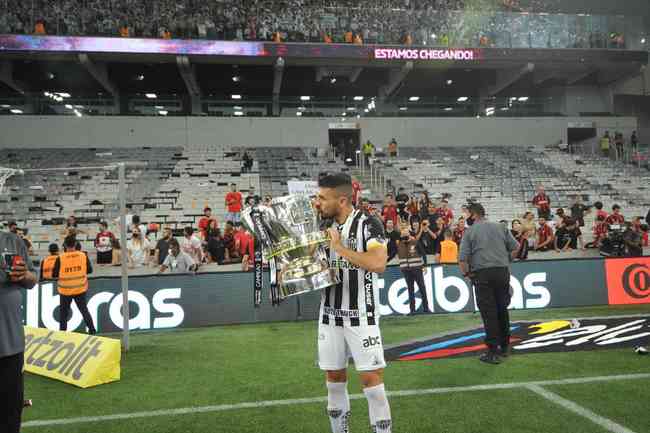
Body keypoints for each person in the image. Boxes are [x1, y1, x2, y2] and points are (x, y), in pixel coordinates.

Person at [314, 173, 392, 433]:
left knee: (372, 383)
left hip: (362, 315)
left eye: (322, 198)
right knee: (334, 381)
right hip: (329, 316)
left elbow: (378, 264)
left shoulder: (369, 223)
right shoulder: (320, 225)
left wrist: (339, 248)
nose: (317, 203)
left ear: (343, 200)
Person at [459, 203, 519, 364]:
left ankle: (493, 351)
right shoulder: (500, 227)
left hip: (482, 273)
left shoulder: (470, 232)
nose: (465, 218)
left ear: (473, 215)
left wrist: (467, 274)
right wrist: (505, 261)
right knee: (502, 309)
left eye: (466, 215)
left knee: (489, 312)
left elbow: (463, 259)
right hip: (502, 272)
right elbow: (516, 247)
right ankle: (505, 346)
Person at [0, 229, 38, 433]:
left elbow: (32, 280)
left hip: (10, 343)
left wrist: (23, 275)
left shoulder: (13, 241)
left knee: (11, 412)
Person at [52, 235, 96, 334]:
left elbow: (54, 274)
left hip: (65, 290)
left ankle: (62, 333)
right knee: (84, 310)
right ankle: (92, 330)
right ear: (75, 244)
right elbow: (89, 270)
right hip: (80, 288)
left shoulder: (60, 257)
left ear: (65, 245)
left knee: (64, 314)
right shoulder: (83, 255)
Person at [397, 223, 429, 314]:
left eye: (406, 235)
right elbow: (391, 253)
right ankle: (412, 310)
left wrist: (425, 265)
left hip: (417, 269)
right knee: (410, 289)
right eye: (403, 235)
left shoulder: (415, 242)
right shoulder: (399, 245)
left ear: (409, 234)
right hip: (406, 270)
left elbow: (423, 254)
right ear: (401, 236)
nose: (405, 237)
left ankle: (426, 309)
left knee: (422, 288)